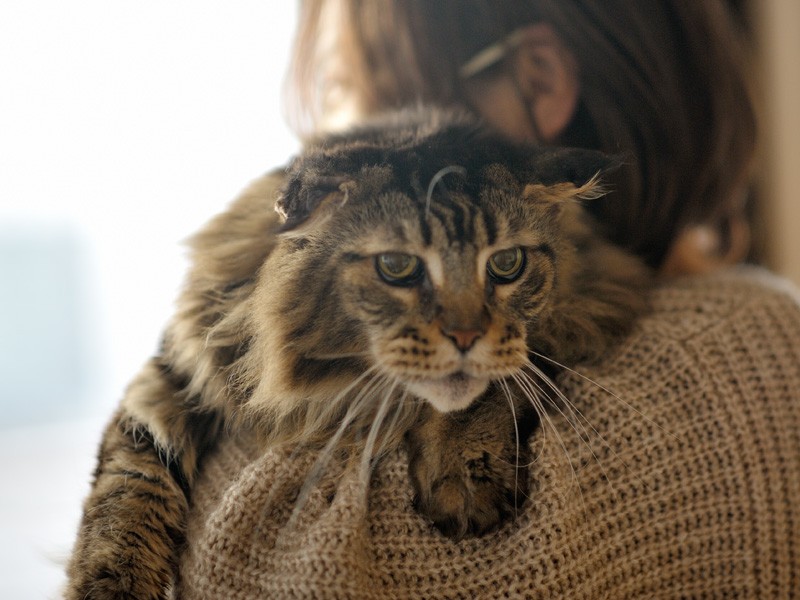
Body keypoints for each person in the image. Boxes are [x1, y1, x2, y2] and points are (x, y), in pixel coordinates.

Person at [175, 1, 800, 597]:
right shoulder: (761, 325)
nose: (320, 136)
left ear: (536, 81)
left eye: (345, 86)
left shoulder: (716, 367)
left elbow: (226, 569)